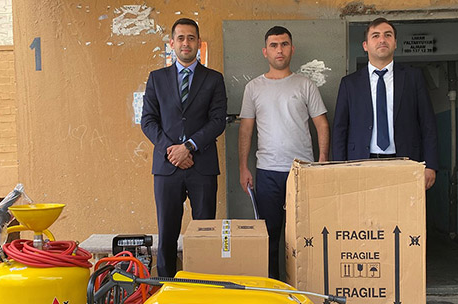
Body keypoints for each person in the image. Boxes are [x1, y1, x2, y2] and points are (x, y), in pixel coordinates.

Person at [238, 26, 330, 280]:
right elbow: (246, 129)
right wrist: (243, 167)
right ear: (265, 51)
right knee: (269, 237)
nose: (279, 50)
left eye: (284, 44)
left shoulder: (305, 84)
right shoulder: (253, 87)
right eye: (274, 45)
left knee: (303, 236)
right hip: (267, 172)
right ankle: (273, 289)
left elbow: (321, 124)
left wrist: (322, 161)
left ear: (292, 49)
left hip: (302, 172)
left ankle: (302, 289)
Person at [141, 18, 227, 277]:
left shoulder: (214, 79)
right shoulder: (157, 79)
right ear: (172, 43)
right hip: (167, 168)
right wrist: (173, 150)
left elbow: (218, 121)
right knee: (167, 233)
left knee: (205, 233)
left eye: (191, 38)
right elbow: (148, 121)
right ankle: (166, 286)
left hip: (202, 167)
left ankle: (204, 284)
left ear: (198, 43)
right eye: (180, 38)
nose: (186, 43)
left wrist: (188, 146)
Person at [332, 17, 438, 189]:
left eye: (388, 35)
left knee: (403, 206)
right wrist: (338, 167)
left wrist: (430, 164)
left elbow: (428, 124)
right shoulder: (350, 83)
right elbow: (340, 128)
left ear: (395, 43)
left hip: (405, 161)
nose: (382, 40)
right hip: (360, 162)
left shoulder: (413, 78)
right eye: (375, 36)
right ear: (365, 45)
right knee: (364, 207)